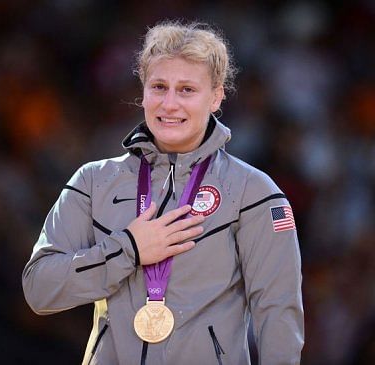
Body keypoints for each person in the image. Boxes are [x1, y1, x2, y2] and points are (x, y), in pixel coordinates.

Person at [22, 21, 304, 365]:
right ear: (143, 92)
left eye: (186, 90)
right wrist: (128, 249)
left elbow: (278, 314)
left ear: (216, 96)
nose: (169, 104)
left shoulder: (253, 193)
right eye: (159, 87)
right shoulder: (93, 181)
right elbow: (39, 290)